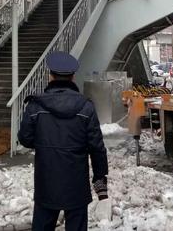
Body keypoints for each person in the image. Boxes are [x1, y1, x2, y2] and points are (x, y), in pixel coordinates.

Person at [18, 51, 108, 231]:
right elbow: (97, 147)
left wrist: (45, 142)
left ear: (50, 75)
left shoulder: (35, 105)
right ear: (73, 77)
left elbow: (25, 139)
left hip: (46, 182)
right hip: (76, 183)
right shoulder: (85, 106)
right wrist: (100, 178)